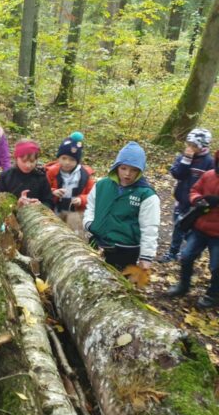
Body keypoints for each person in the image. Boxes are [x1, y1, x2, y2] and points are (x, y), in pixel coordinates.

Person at [83, 142, 160, 270]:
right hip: (97, 242)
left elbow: (149, 228)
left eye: (133, 170)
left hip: (126, 250)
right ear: (116, 167)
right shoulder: (102, 185)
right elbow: (91, 206)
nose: (127, 174)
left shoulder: (146, 195)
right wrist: (89, 224)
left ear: (140, 171)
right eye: (123, 168)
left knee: (119, 284)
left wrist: (146, 256)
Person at [167, 152, 219, 308]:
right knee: (186, 256)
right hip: (200, 227)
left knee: (216, 266)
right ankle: (183, 285)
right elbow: (194, 190)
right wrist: (198, 200)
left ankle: (213, 295)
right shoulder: (209, 175)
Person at [160, 128, 214, 263]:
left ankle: (190, 252)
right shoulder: (183, 158)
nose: (190, 148)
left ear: (202, 147)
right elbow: (177, 174)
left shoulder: (209, 162)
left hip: (196, 205)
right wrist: (186, 160)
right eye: (188, 144)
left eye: (194, 146)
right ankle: (173, 252)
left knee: (191, 232)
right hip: (181, 200)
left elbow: (211, 183)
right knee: (178, 227)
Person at [45, 132, 95, 237]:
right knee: (54, 232)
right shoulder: (52, 172)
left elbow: (93, 196)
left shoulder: (85, 175)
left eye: (72, 159)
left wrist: (81, 199)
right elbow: (44, 189)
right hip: (56, 209)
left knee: (76, 230)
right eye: (64, 158)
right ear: (58, 158)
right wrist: (53, 191)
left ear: (77, 161)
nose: (67, 162)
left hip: (76, 211)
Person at [0, 139, 53, 208]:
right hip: (10, 216)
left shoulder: (40, 177)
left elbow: (49, 201)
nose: (28, 165)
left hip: (34, 215)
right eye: (24, 161)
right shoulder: (6, 176)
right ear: (16, 158)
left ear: (36, 160)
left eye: (32, 161)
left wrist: (40, 205)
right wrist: (15, 205)